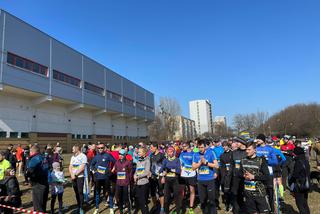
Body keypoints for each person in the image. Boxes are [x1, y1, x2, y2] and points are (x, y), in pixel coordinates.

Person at [239, 142, 270, 214]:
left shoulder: (261, 161)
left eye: (249, 149)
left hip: (259, 193)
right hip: (248, 193)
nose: (247, 151)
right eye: (246, 149)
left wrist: (253, 177)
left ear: (255, 150)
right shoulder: (243, 160)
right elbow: (239, 173)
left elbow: (267, 176)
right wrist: (243, 175)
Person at [192, 139, 219, 214]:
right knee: (203, 200)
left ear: (205, 147)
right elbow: (193, 167)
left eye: (202, 147)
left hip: (210, 179)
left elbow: (216, 166)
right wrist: (200, 163)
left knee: (211, 200)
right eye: (199, 147)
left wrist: (206, 163)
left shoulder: (211, 152)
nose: (200, 149)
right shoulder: (195, 154)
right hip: (200, 180)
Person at [90, 142, 115, 214]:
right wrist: (94, 172)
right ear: (97, 149)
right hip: (98, 178)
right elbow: (91, 165)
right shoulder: (96, 157)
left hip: (106, 178)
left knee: (109, 193)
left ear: (104, 148)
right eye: (99, 148)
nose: (100, 149)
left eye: (101, 148)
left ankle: (111, 208)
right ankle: (97, 208)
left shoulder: (108, 155)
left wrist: (112, 171)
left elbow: (115, 163)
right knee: (97, 193)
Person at [26, 145, 49, 212]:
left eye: (30, 151)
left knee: (38, 206)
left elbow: (29, 171)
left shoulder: (35, 158)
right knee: (42, 204)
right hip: (45, 182)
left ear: (32, 151)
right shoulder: (43, 157)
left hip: (38, 184)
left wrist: (28, 176)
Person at [289, 147, 311, 214]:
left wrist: (290, 181)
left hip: (299, 185)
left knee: (300, 204)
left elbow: (295, 174)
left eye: (294, 153)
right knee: (305, 203)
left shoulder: (298, 162)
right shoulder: (306, 160)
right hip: (306, 185)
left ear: (297, 153)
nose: (293, 154)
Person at [160, 146, 181, 214]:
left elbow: (178, 171)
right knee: (166, 197)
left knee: (176, 196)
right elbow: (161, 169)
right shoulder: (165, 160)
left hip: (175, 180)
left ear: (174, 152)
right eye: (168, 152)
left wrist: (170, 170)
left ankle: (178, 211)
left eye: (171, 152)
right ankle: (166, 211)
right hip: (167, 180)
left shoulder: (177, 160)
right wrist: (163, 173)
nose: (169, 153)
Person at [113, 149, 132, 214]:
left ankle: (129, 210)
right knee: (119, 197)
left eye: (122, 154)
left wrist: (128, 179)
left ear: (125, 155)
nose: (120, 156)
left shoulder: (128, 162)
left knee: (126, 197)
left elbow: (130, 172)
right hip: (119, 183)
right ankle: (121, 210)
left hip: (126, 183)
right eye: (119, 154)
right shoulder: (117, 162)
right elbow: (115, 170)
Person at [69, 144, 88, 214]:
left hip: (80, 177)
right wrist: (71, 175)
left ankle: (81, 208)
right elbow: (70, 166)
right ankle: (78, 206)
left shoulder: (83, 156)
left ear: (77, 149)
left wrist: (75, 175)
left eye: (73, 149)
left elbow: (82, 167)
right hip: (73, 177)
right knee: (76, 192)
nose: (72, 150)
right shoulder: (72, 157)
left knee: (80, 192)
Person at [230, 137, 247, 214]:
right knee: (236, 195)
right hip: (236, 178)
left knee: (246, 196)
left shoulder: (248, 152)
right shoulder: (234, 152)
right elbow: (231, 167)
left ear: (242, 143)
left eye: (237, 142)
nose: (236, 144)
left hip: (246, 178)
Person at [179, 141, 197, 214]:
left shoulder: (193, 154)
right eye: (182, 146)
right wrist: (180, 172)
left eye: (184, 146)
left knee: (192, 191)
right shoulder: (182, 153)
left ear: (188, 146)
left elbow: (195, 164)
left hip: (191, 175)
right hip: (183, 175)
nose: (182, 147)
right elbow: (180, 164)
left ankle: (191, 207)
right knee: (181, 192)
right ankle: (180, 207)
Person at [134, 147, 151, 214]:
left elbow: (147, 172)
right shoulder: (138, 160)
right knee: (139, 201)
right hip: (138, 183)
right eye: (138, 152)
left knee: (143, 201)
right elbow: (136, 170)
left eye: (140, 152)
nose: (138, 153)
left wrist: (138, 176)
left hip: (144, 183)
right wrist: (134, 175)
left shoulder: (147, 160)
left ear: (144, 153)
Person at [149, 143, 165, 213]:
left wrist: (163, 176)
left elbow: (164, 166)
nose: (150, 149)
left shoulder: (161, 155)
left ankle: (162, 208)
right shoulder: (151, 155)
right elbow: (150, 165)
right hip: (152, 176)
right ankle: (155, 205)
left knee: (160, 192)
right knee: (152, 192)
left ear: (156, 147)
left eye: (151, 148)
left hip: (160, 176)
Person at [220, 141, 233, 212]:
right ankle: (227, 205)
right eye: (223, 146)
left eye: (225, 146)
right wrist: (223, 176)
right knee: (226, 191)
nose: (224, 147)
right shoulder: (222, 155)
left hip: (232, 175)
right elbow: (222, 167)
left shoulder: (232, 153)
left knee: (232, 191)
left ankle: (232, 204)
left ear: (228, 146)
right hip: (225, 175)